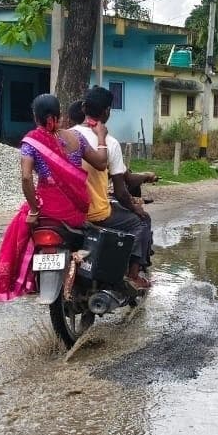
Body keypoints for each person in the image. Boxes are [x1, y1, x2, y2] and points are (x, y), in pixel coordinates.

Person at [0, 93, 108, 302]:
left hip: (46, 210)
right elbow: (100, 163)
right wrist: (101, 137)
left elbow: (26, 178)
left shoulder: (30, 142)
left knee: (20, 225)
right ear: (60, 115)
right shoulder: (77, 138)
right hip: (76, 209)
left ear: (36, 118)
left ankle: (24, 282)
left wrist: (34, 210)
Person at [71, 87, 154, 289]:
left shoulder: (67, 136)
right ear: (107, 112)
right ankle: (133, 276)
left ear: (83, 107)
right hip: (96, 213)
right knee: (142, 222)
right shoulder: (110, 143)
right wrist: (136, 209)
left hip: (69, 211)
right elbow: (121, 191)